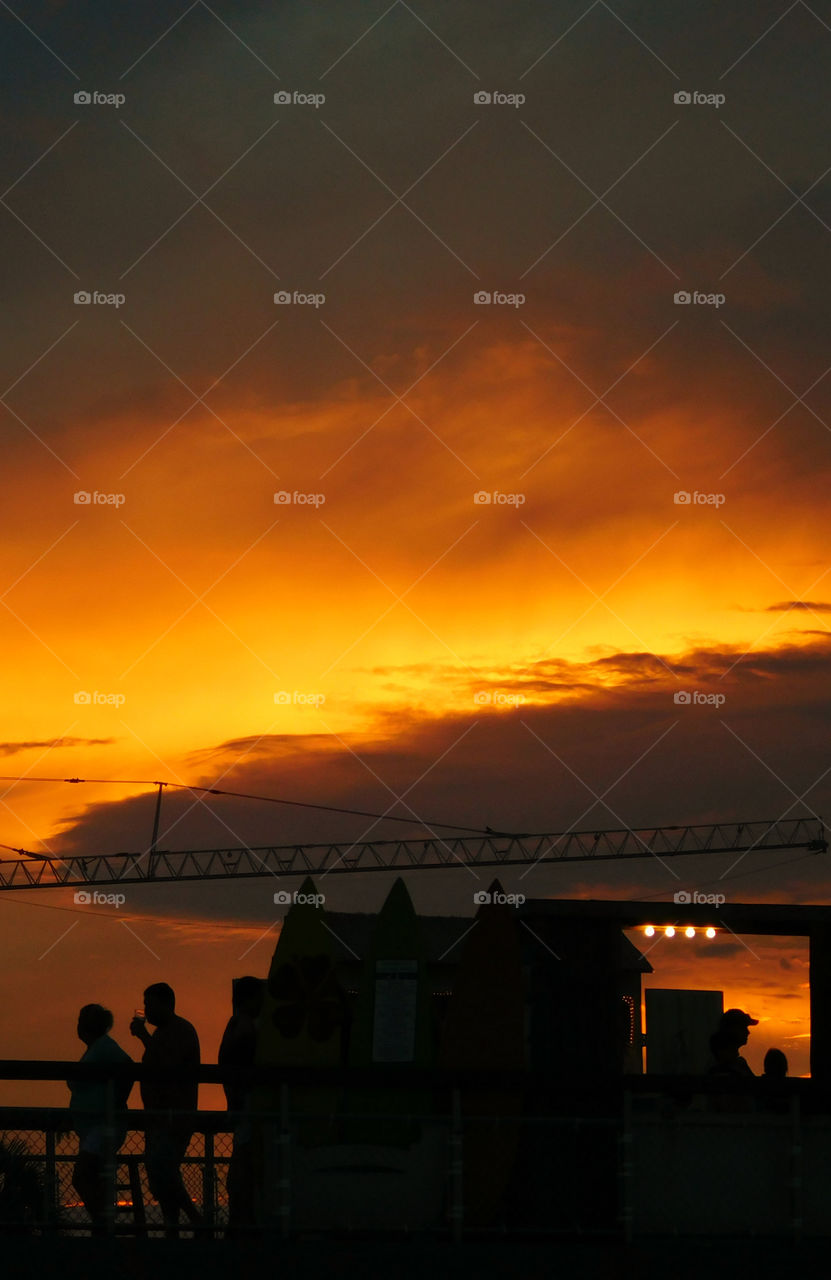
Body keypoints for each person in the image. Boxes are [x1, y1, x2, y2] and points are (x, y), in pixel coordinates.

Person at [130, 983, 203, 1237]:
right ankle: (172, 1225)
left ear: (166, 1004)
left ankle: (194, 1220)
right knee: (159, 1178)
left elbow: (167, 1064)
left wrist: (143, 1036)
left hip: (174, 1117)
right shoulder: (163, 1032)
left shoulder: (180, 1030)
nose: (146, 1010)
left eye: (149, 1004)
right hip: (158, 1117)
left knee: (163, 1170)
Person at [67, 1004, 133, 1234]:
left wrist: (115, 1102)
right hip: (93, 1127)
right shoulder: (96, 1048)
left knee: (82, 1176)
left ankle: (103, 1225)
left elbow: (128, 1067)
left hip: (102, 1126)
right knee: (94, 1179)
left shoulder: (105, 1047)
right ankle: (103, 1228)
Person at [218, 976, 264, 1236]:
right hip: (245, 1102)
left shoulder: (234, 1025)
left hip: (238, 1102)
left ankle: (239, 1219)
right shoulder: (244, 1027)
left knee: (242, 1158)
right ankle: (241, 1220)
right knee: (245, 1161)